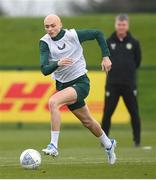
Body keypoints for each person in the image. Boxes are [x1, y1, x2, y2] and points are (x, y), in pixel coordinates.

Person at [39, 14, 117, 164]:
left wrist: (106, 56)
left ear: (60, 24)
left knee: (53, 102)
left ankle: (53, 145)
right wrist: (58, 63)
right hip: (63, 86)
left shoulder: (72, 35)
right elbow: (44, 69)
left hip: (81, 83)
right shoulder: (44, 42)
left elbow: (98, 33)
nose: (50, 29)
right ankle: (109, 144)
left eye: (53, 25)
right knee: (88, 121)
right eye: (47, 26)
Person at [101, 14, 142, 147]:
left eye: (123, 25)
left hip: (129, 84)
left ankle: (137, 141)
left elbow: (137, 61)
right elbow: (105, 59)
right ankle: (104, 141)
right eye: (119, 24)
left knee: (134, 112)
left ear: (127, 26)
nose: (121, 27)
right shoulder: (108, 42)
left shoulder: (134, 43)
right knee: (107, 113)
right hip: (112, 84)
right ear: (116, 25)